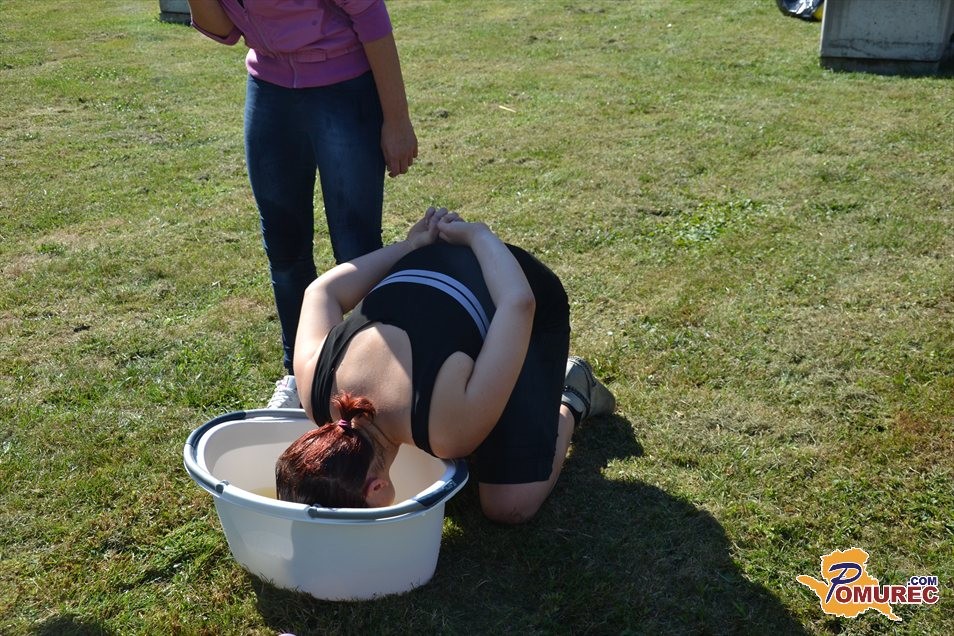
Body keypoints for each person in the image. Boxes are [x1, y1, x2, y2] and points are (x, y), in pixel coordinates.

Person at [275, 207, 616, 524]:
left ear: (376, 488)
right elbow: (320, 292)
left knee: (509, 504)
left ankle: (572, 392)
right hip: (432, 261)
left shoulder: (450, 431)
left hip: (519, 289)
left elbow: (519, 303)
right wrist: (409, 247)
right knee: (472, 425)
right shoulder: (314, 387)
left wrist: (479, 236)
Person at [186, 1, 418, 408]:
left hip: (344, 87)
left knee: (356, 248)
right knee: (285, 251)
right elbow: (223, 29)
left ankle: (367, 376)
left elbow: (371, 14)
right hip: (270, 90)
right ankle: (300, 374)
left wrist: (396, 119)